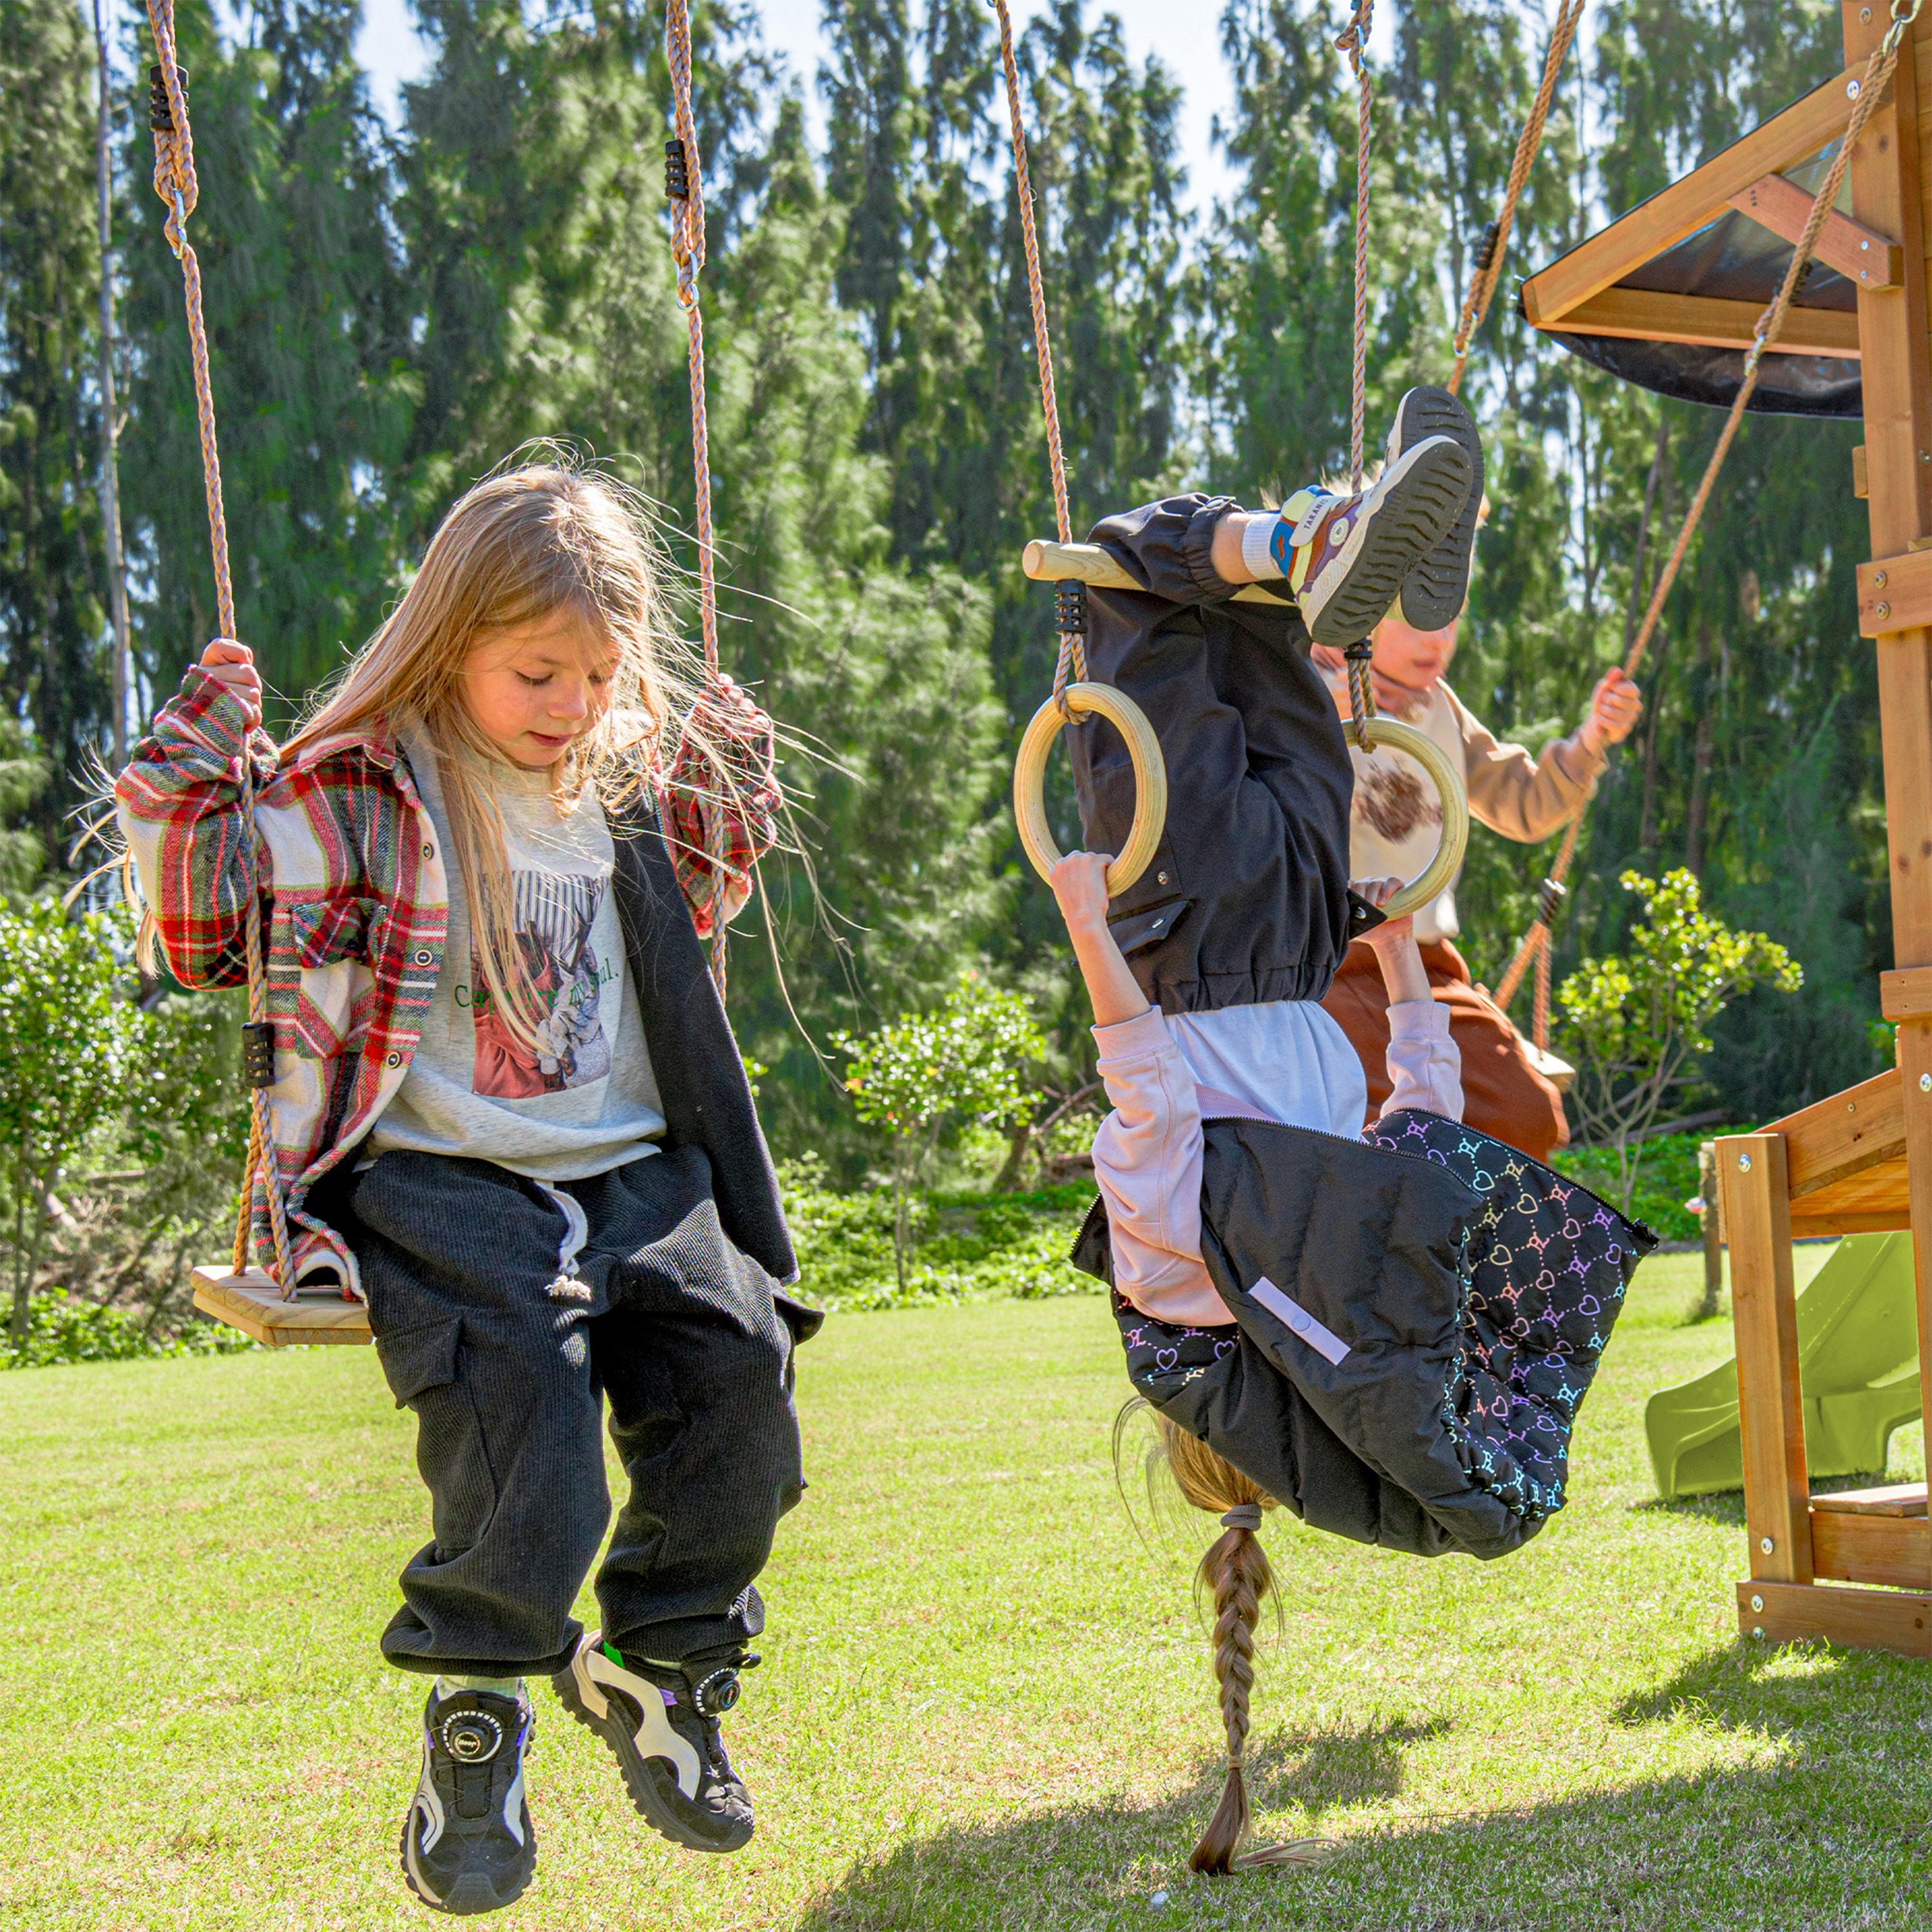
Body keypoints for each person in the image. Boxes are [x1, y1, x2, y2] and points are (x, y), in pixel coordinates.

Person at [115, 463, 817, 1917]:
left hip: (633, 1168)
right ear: (451, 645)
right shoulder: (374, 787)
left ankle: (659, 1661)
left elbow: (715, 886)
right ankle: (479, 1709)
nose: (570, 701)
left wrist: (730, 773)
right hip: (444, 1178)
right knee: (529, 1430)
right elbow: (197, 931)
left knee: (742, 1377)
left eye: (599, 674)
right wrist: (197, 761)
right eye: (535, 671)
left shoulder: (622, 796)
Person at [1051, 847, 1651, 1874]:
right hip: (1183, 956)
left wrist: (1399, 956)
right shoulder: (1177, 1284)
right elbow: (1145, 1089)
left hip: (1285, 963)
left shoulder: (1334, 1287)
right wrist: (1084, 926)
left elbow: (1425, 1120)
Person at [1310, 596, 1643, 1160]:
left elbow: (1527, 805)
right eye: (1416, 622)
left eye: (1450, 620)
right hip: (1327, 965)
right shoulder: (1297, 682)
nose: (1438, 641)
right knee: (1364, 1130)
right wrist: (1314, 717)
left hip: (1425, 963)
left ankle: (1465, 1244)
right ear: (1362, 614)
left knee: (1526, 1119)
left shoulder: (1441, 708)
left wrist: (1591, 740)